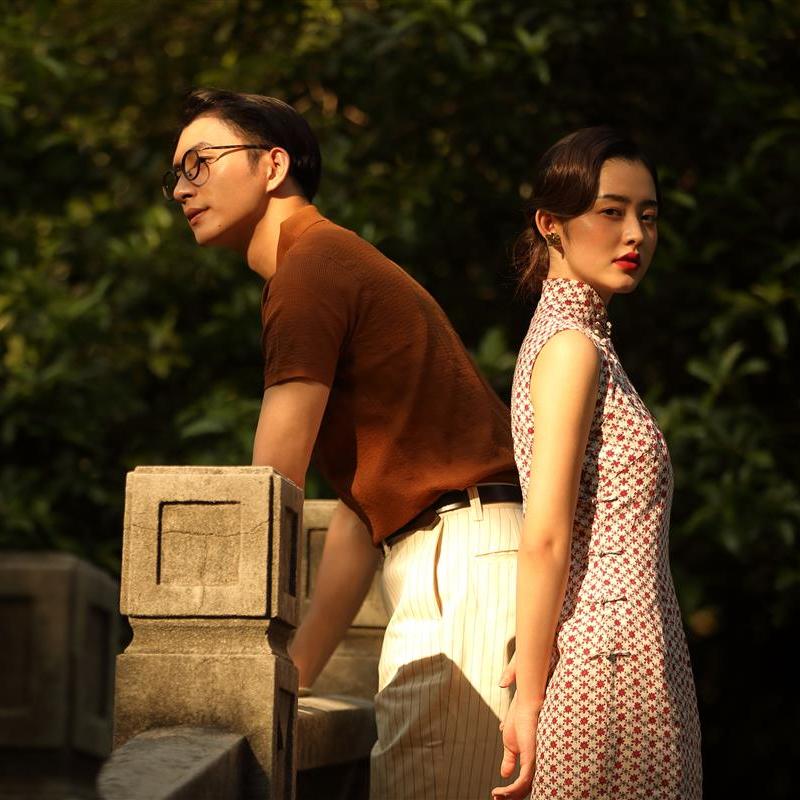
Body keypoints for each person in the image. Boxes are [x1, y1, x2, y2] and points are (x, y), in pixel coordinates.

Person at [164, 88, 523, 799]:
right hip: (468, 552)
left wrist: (236, 659)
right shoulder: (330, 258)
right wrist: (293, 673)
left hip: (459, 561)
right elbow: (360, 517)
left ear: (272, 166)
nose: (181, 188)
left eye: (199, 163)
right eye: (175, 174)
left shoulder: (311, 266)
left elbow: (273, 478)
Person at [491, 127, 702, 799]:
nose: (635, 234)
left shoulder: (579, 342)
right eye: (611, 211)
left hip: (624, 651)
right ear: (549, 223)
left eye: (648, 215)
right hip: (610, 661)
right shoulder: (571, 349)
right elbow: (545, 535)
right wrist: (529, 696)